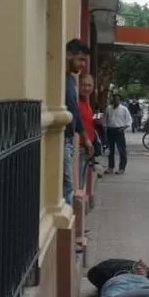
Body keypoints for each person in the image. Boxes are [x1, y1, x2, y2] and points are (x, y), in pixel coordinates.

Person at [64, 39, 92, 205]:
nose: (82, 64)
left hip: (69, 139)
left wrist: (86, 138)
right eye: (80, 59)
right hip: (62, 138)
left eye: (84, 61)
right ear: (68, 55)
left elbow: (75, 113)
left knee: (69, 183)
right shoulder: (61, 79)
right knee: (67, 184)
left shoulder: (71, 81)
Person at [77, 74, 97, 189]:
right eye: (84, 85)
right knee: (78, 183)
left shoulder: (86, 102)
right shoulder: (76, 102)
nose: (87, 88)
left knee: (82, 182)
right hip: (79, 147)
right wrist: (86, 140)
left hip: (86, 148)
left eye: (89, 85)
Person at [104, 93, 132, 175]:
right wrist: (105, 127)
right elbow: (105, 119)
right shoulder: (108, 108)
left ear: (120, 100)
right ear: (112, 99)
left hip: (119, 131)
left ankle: (121, 168)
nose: (116, 100)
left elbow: (129, 120)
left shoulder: (124, 109)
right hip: (110, 130)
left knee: (121, 150)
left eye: (118, 99)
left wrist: (124, 128)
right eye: (115, 99)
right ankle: (111, 167)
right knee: (110, 151)